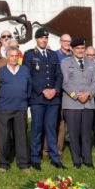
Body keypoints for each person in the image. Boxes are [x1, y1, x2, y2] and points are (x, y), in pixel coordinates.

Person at [23, 27, 66, 170]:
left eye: (46, 38)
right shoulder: (29, 55)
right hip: (38, 99)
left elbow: (59, 75)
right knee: (37, 129)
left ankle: (55, 158)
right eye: (41, 37)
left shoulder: (53, 55)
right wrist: (42, 90)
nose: (44, 40)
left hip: (53, 99)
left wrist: (55, 90)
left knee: (51, 129)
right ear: (36, 39)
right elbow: (28, 76)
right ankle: (35, 158)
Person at [61, 37, 95, 168]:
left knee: (87, 133)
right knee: (74, 133)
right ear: (72, 49)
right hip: (72, 103)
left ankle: (88, 160)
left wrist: (88, 94)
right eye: (77, 48)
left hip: (88, 103)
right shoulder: (65, 63)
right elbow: (65, 83)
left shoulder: (90, 63)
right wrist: (77, 96)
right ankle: (76, 160)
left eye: (82, 48)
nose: (80, 50)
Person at [0, 47, 31, 173]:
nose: (14, 58)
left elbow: (29, 87)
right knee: (4, 137)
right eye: (11, 56)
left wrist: (24, 100)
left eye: (16, 56)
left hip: (20, 107)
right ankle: (3, 163)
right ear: (7, 57)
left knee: (21, 136)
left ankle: (23, 163)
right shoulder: (0, 71)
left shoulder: (25, 70)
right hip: (4, 108)